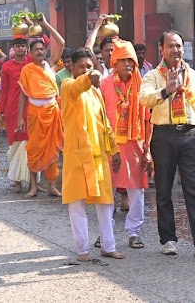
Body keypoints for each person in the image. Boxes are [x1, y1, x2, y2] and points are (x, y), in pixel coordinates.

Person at [139, 30, 195, 257]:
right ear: (161, 49)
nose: (175, 50)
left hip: (189, 135)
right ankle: (168, 239)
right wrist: (167, 90)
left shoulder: (193, 76)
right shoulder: (153, 76)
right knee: (164, 189)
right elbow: (144, 99)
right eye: (170, 46)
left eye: (178, 46)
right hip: (163, 136)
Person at [60, 48, 124, 262]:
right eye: (82, 66)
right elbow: (80, 84)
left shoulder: (96, 92)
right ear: (72, 68)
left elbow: (105, 123)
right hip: (78, 157)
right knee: (77, 203)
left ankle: (108, 246)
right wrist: (91, 76)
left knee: (106, 203)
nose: (87, 70)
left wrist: (114, 150)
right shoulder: (68, 86)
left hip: (99, 157)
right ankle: (82, 249)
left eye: (90, 66)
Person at [100, 39, 152, 249]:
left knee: (136, 190)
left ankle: (134, 232)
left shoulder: (143, 86)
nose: (128, 64)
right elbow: (99, 116)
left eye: (130, 60)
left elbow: (148, 120)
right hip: (110, 144)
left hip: (135, 144)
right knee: (107, 189)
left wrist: (148, 150)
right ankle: (106, 231)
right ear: (114, 62)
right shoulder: (104, 84)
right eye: (123, 60)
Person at [17, 15, 65, 197]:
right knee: (34, 149)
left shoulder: (51, 65)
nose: (39, 52)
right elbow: (23, 95)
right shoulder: (27, 70)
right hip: (34, 114)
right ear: (30, 52)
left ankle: (52, 185)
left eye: (42, 49)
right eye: (36, 49)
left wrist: (45, 25)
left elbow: (61, 42)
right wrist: (20, 117)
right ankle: (33, 186)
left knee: (53, 148)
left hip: (52, 112)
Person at [0, 36, 33, 193]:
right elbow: (3, 91)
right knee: (15, 145)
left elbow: (43, 41)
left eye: (23, 46)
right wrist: (0, 112)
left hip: (30, 108)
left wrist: (32, 26)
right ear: (13, 48)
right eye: (17, 46)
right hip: (12, 110)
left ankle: (33, 183)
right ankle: (17, 181)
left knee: (30, 144)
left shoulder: (31, 63)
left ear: (26, 48)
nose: (21, 49)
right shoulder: (6, 67)